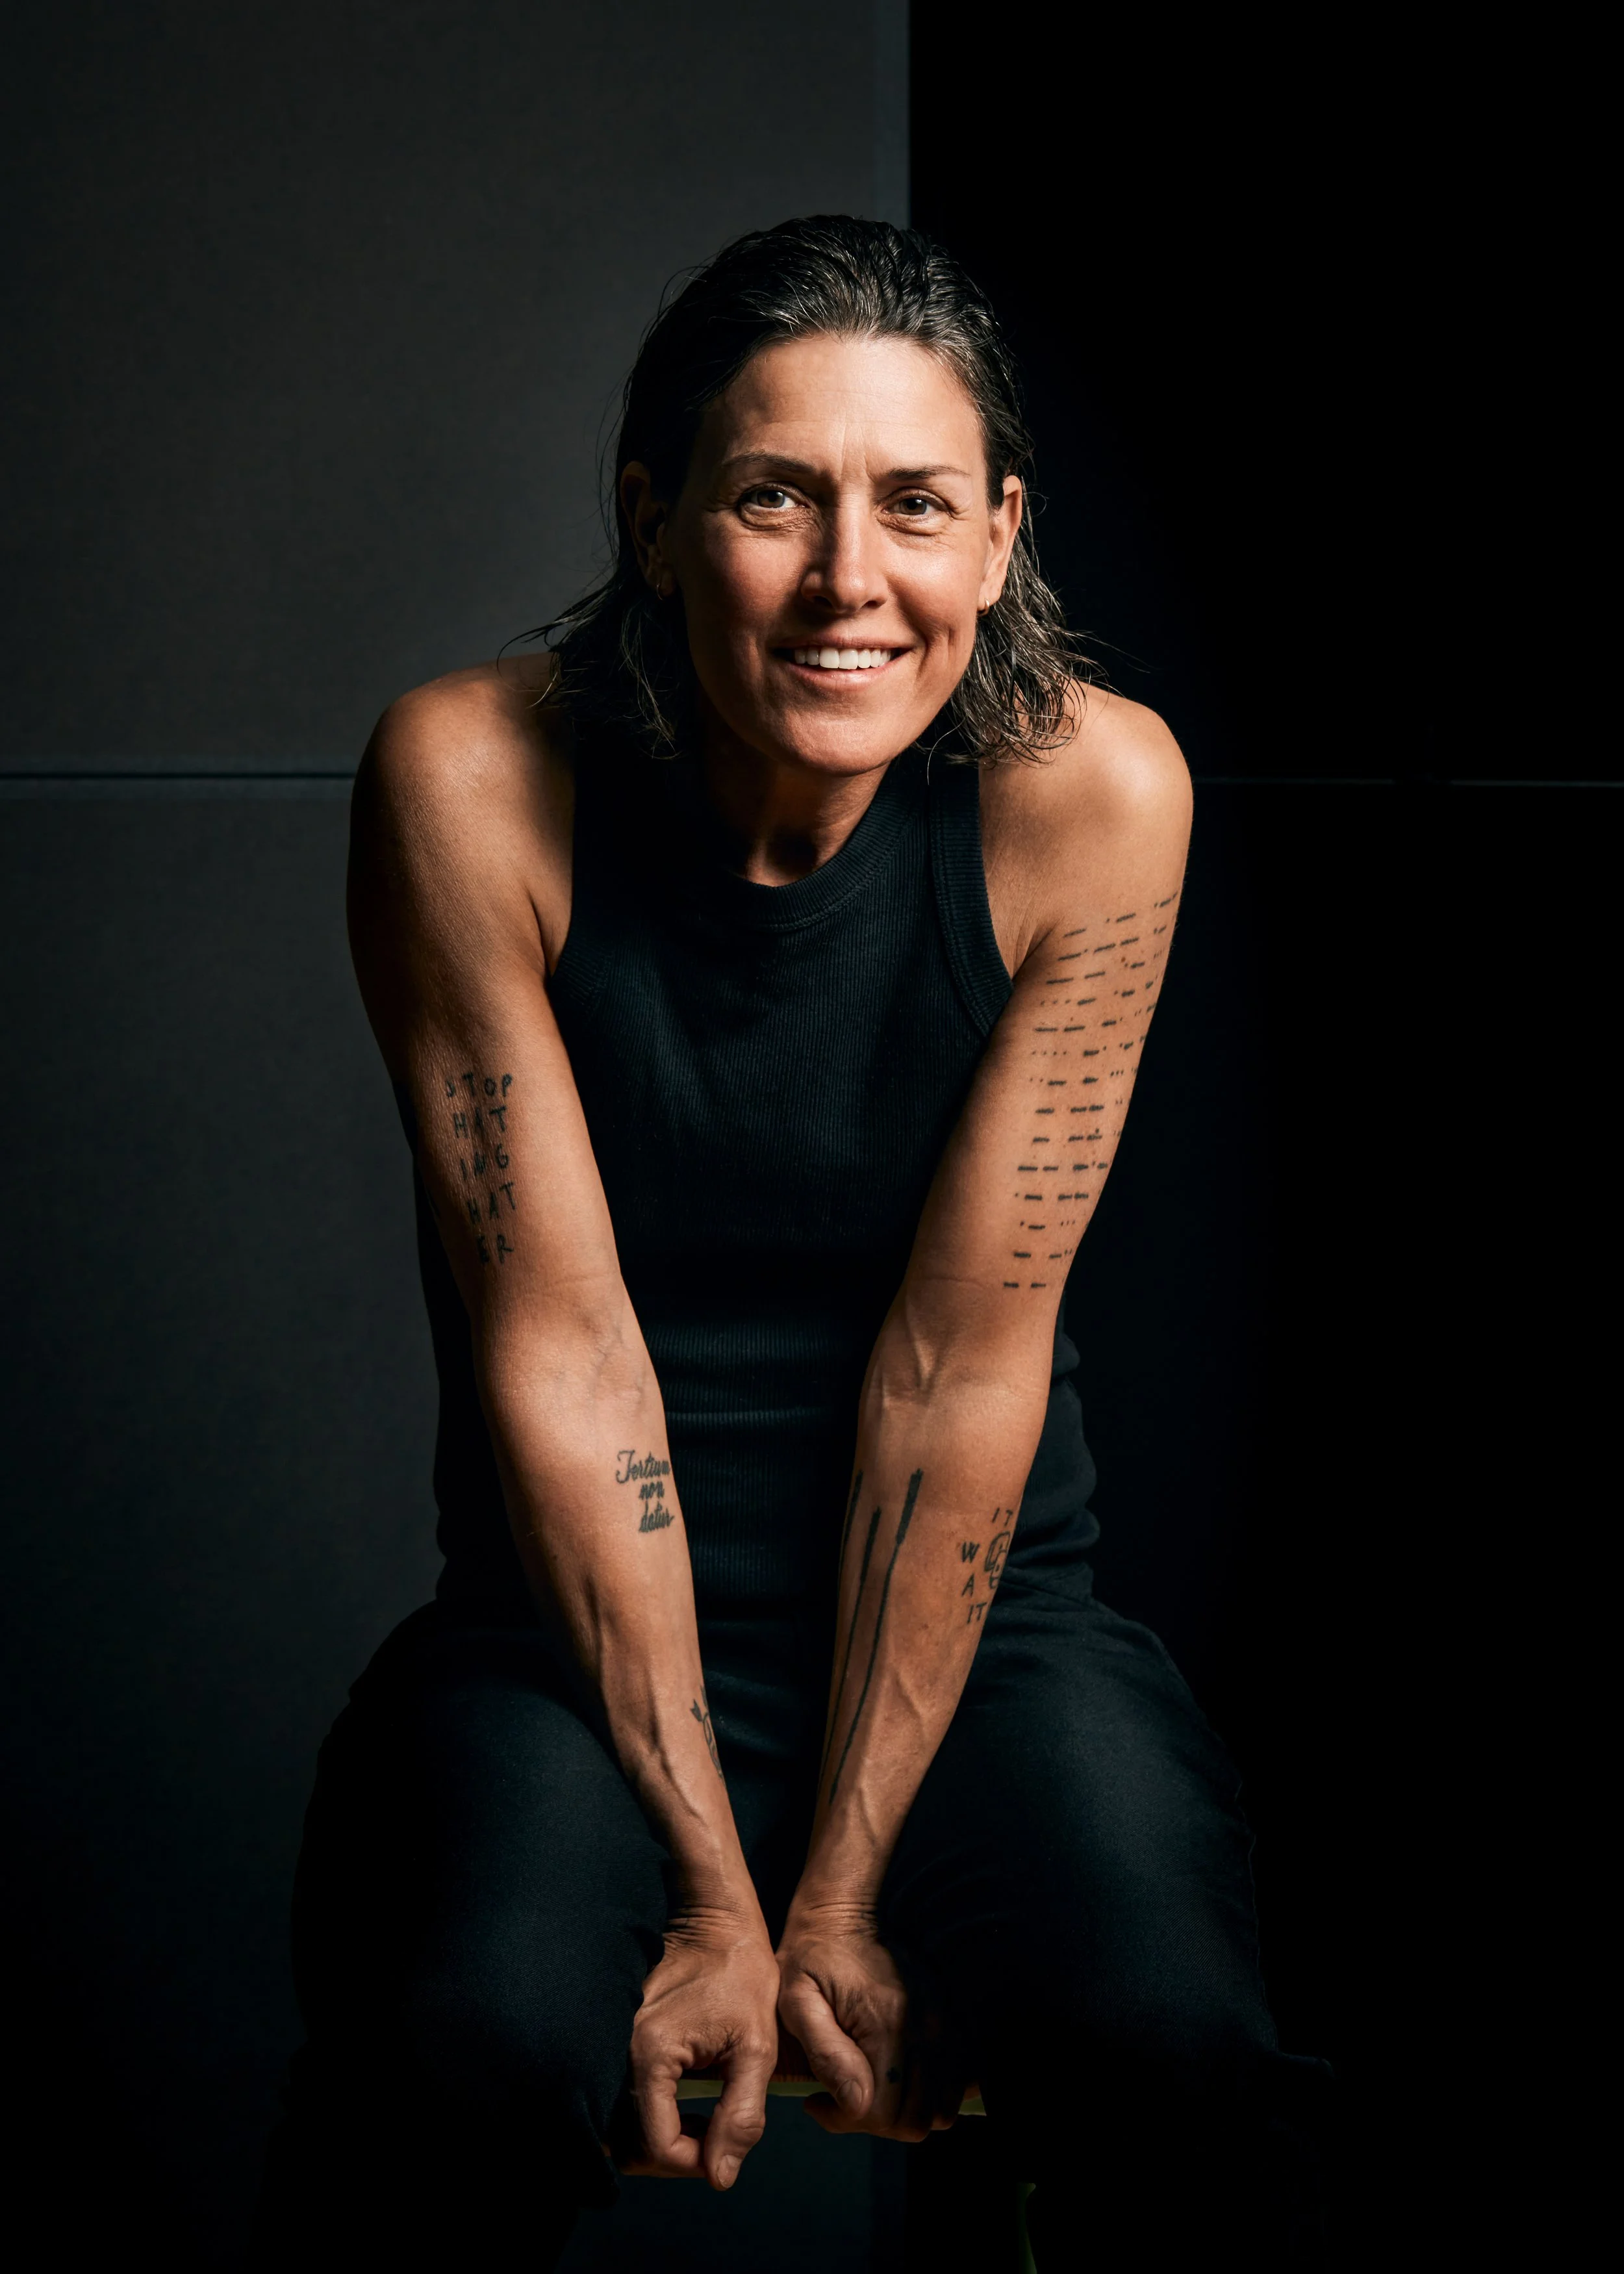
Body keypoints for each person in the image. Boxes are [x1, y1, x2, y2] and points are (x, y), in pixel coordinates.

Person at [252, 216, 1329, 2268]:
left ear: (998, 538)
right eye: (774, 499)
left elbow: (964, 1364)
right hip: (557, 1639)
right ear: (654, 522)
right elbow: (564, 1361)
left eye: (915, 507)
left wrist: (833, 1891)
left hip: (982, 1621)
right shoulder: (472, 774)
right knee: (455, 2050)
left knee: (1176, 2052)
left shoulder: (1092, 791)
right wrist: (708, 1899)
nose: (853, 581)